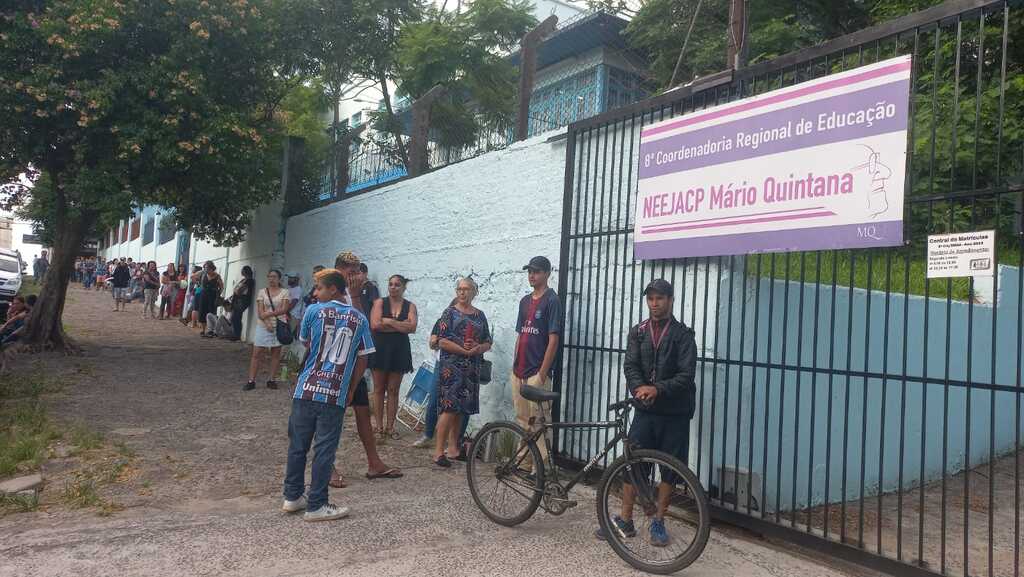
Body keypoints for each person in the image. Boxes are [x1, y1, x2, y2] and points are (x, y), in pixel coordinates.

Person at [594, 279, 697, 547]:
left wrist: (657, 389)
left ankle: (659, 522)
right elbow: (630, 365)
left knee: (670, 471)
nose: (654, 303)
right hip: (645, 410)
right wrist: (639, 388)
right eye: (650, 299)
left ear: (670, 300)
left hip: (674, 412)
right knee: (634, 464)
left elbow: (686, 376)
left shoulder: (683, 336)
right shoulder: (638, 332)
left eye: (660, 298)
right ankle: (626, 520)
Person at [281, 268, 374, 522]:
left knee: (298, 445)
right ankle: (317, 503)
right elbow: (363, 358)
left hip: (306, 388)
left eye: (319, 287)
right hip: (334, 392)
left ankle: (292, 496)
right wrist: (352, 387)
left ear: (333, 288)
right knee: (325, 448)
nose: (315, 292)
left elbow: (308, 343)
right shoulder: (359, 319)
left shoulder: (312, 311)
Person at [331, 251, 401, 485]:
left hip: (354, 363)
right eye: (351, 272)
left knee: (362, 412)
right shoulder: (329, 291)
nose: (355, 277)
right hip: (334, 365)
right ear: (340, 270)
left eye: (357, 272)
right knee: (332, 418)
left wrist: (356, 294)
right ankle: (327, 466)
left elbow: (362, 323)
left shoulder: (356, 292)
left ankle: (374, 463)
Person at [432, 277, 492, 468]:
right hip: (452, 368)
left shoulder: (480, 316)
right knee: (449, 408)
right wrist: (463, 350)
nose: (462, 292)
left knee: (461, 410)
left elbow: (487, 342)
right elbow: (441, 341)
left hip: (471, 369)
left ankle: (453, 449)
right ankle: (438, 451)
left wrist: (477, 348)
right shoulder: (449, 313)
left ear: (474, 292)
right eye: (459, 289)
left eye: (466, 289)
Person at [510, 256, 562, 470]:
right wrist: (514, 367)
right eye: (530, 271)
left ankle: (542, 467)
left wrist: (542, 373)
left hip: (536, 371)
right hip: (519, 371)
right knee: (522, 419)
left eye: (537, 271)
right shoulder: (524, 301)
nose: (532, 275)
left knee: (539, 420)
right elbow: (520, 334)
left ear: (547, 274)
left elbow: (553, 339)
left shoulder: (552, 300)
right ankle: (523, 462)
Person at [369, 274, 418, 440]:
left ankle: (390, 427)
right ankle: (378, 426)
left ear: (404, 287)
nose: (393, 287)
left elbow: (412, 327)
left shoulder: (410, 306)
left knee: (393, 390)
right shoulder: (379, 303)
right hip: (380, 348)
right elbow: (375, 324)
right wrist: (400, 326)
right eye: (390, 284)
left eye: (397, 285)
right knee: (378, 389)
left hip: (399, 350)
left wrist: (389, 322)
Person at [244, 269, 289, 390]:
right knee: (256, 353)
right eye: (269, 276)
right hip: (263, 325)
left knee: (275, 353)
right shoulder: (262, 292)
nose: (271, 279)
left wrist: (268, 315)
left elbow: (284, 309)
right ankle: (251, 380)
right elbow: (260, 311)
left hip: (279, 325)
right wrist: (267, 321)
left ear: (279, 278)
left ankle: (271, 379)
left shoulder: (284, 292)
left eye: (274, 276)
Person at [196, 261, 223, 336]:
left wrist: (218, 294)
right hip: (204, 295)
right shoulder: (204, 275)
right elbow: (193, 276)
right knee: (203, 312)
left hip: (212, 296)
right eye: (205, 268)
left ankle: (211, 330)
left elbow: (221, 286)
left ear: (212, 268)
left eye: (207, 268)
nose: (206, 270)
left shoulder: (217, 276)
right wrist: (202, 271)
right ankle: (203, 330)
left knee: (211, 312)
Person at [228, 266, 255, 341]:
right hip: (238, 300)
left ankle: (237, 336)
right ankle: (235, 334)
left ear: (246, 271)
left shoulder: (249, 281)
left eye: (242, 270)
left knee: (236, 317)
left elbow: (239, 291)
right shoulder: (244, 280)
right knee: (235, 317)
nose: (241, 272)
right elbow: (236, 289)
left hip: (242, 301)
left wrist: (237, 290)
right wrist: (236, 290)